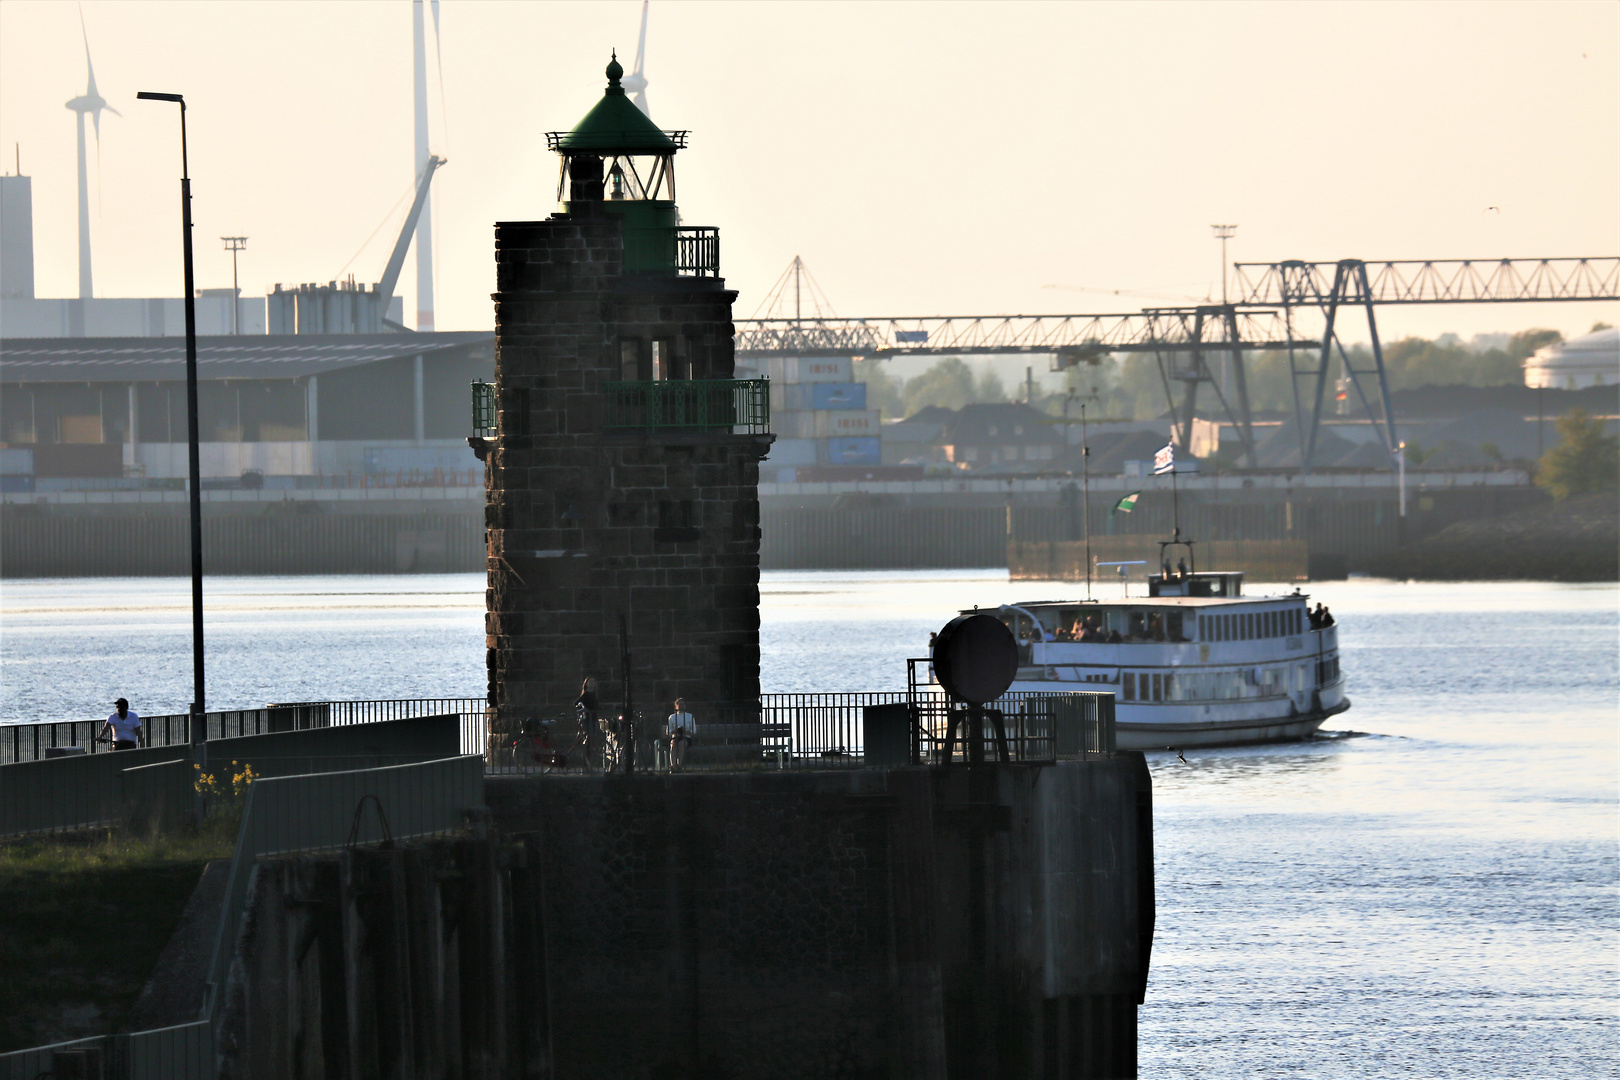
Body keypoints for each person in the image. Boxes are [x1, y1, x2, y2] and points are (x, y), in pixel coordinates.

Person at [666, 697, 695, 770]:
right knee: (673, 744)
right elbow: (668, 731)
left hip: (686, 737)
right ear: (676, 705)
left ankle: (679, 764)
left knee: (682, 743)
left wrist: (685, 731)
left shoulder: (689, 716)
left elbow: (694, 731)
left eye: (683, 704)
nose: (681, 706)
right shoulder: (672, 717)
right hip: (676, 736)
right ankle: (673, 765)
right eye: (680, 704)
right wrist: (676, 730)